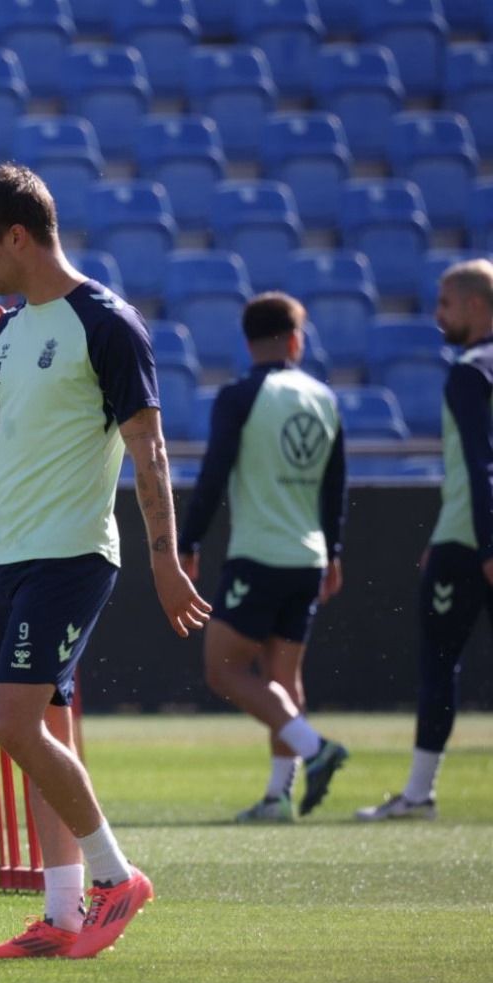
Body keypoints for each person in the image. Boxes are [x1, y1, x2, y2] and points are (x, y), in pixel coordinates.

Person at [0, 164, 211, 959]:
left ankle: (117, 877)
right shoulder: (10, 331)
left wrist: (165, 558)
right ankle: (62, 915)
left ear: (19, 236)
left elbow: (148, 448)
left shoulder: (107, 322)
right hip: (6, 555)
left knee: (12, 722)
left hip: (72, 556)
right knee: (43, 729)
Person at [178, 293, 350, 823]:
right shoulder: (323, 396)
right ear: (296, 340)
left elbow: (213, 474)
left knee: (222, 668)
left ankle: (314, 746)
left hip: (259, 555)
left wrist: (188, 542)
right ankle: (278, 796)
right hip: (310, 555)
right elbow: (335, 483)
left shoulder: (240, 396)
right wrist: (335, 549)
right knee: (282, 673)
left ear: (247, 341)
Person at [358, 257, 493, 822]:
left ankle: (418, 793)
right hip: (461, 533)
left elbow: (479, 464)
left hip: (471, 542)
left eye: (445, 303)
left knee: (439, 662)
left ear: (475, 305)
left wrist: (483, 546)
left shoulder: (470, 369)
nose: (437, 315)